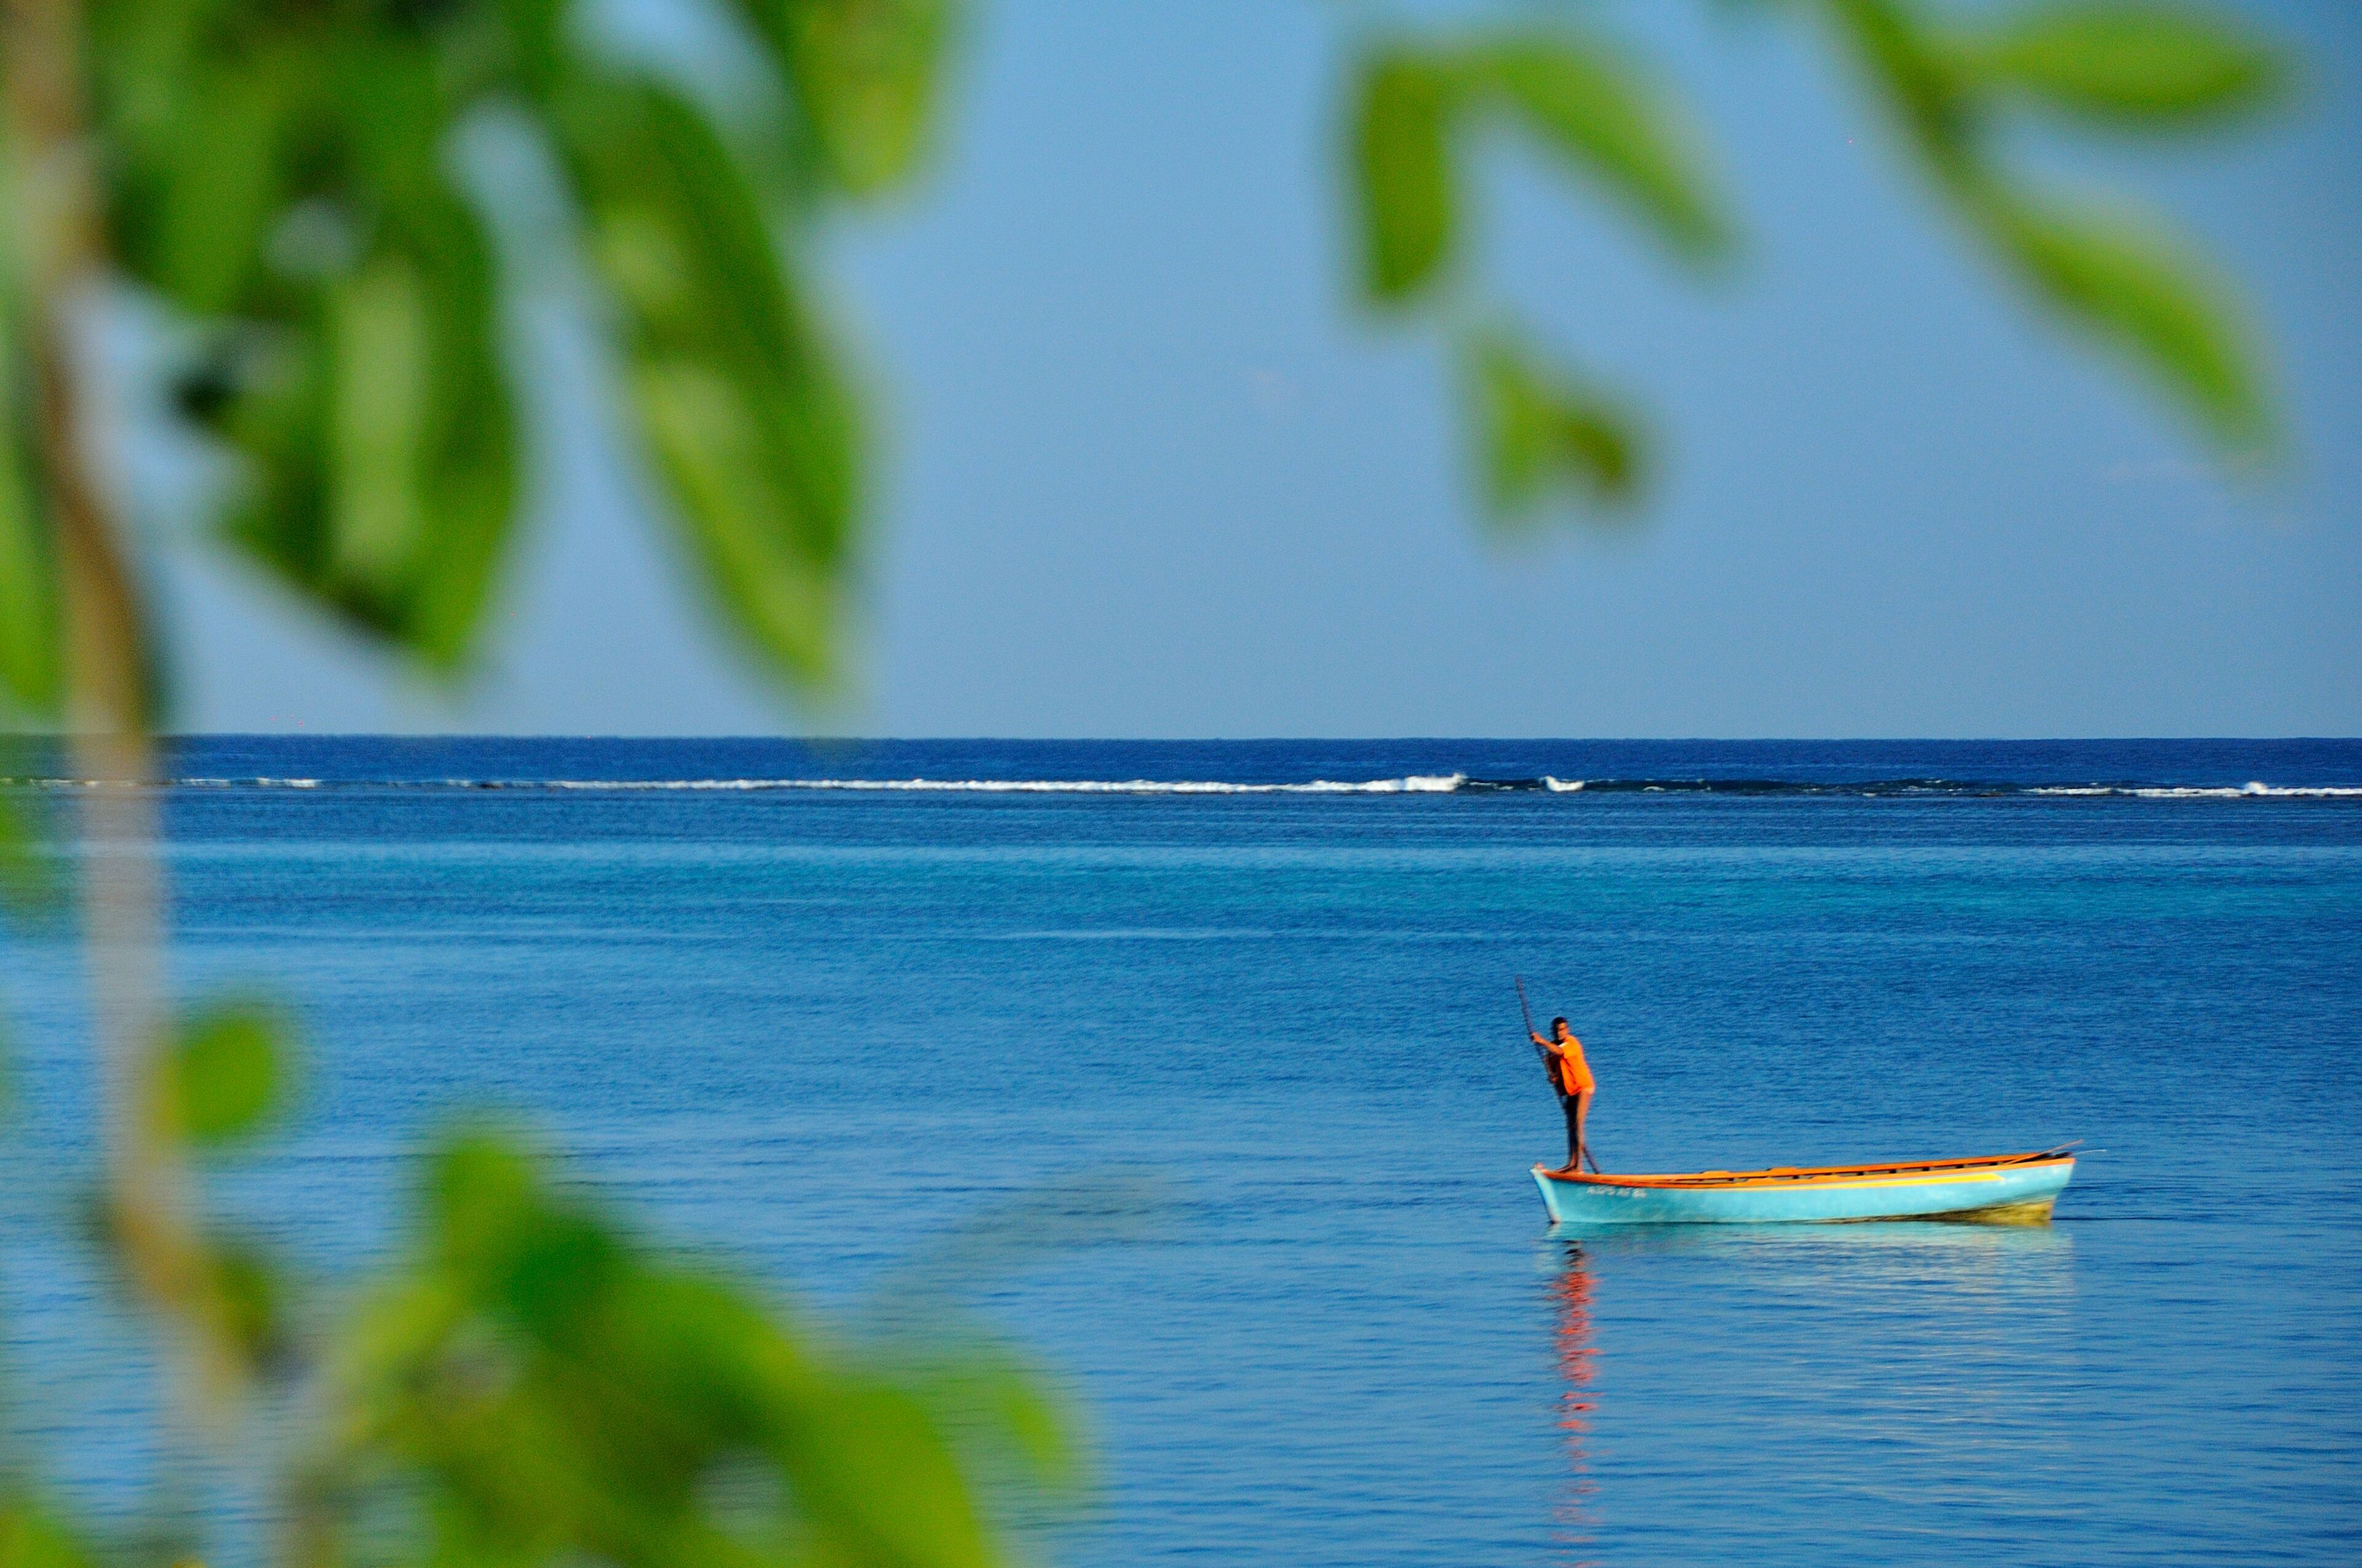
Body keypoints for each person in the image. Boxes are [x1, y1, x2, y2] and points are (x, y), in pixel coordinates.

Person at [1532, 1016, 1596, 1174]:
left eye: (1562, 1030)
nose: (1559, 1033)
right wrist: (1552, 1075)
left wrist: (1541, 1041)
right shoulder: (1552, 1048)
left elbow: (1560, 1051)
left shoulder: (1571, 1043)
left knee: (1578, 1123)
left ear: (1567, 1030)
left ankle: (1578, 1167)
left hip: (1583, 1087)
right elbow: (1552, 1068)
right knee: (1570, 1126)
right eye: (1556, 1030)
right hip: (1569, 1091)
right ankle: (1571, 1163)